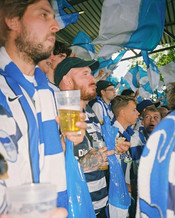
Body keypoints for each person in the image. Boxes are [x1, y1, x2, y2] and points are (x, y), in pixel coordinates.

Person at [0, 0, 86, 216]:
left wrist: (66, 139)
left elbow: (38, 161)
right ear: (12, 20)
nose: (56, 26)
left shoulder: (46, 91)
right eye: (43, 15)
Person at [54, 57, 131, 217]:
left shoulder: (90, 111)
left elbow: (94, 152)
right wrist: (86, 162)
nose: (93, 79)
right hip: (75, 208)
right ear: (67, 80)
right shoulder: (57, 113)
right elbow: (50, 165)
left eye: (91, 74)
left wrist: (113, 150)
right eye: (85, 74)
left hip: (99, 204)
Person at [137, 82, 175, 217]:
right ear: (142, 120)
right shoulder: (134, 140)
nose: (152, 121)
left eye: (156, 117)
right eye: (148, 117)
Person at [110, 95, 139, 217]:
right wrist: (133, 189)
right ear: (122, 112)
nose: (138, 113)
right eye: (134, 110)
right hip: (116, 199)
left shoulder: (124, 134)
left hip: (124, 194)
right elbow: (112, 173)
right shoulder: (113, 135)